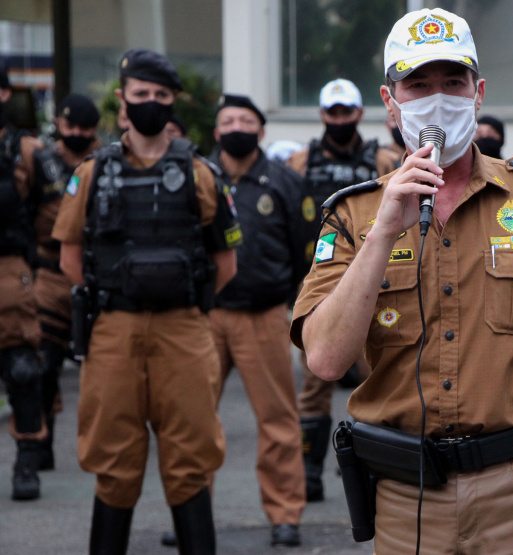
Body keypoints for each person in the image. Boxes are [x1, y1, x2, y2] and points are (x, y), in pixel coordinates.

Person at [291, 7, 513, 553]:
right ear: (390, 102)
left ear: (478, 94)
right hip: (408, 498)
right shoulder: (354, 215)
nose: (438, 100)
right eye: (418, 85)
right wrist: (383, 232)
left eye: (453, 83)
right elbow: (325, 360)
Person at [52, 49, 240, 554]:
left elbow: (226, 264)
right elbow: (69, 257)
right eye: (141, 94)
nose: (151, 102)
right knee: (113, 462)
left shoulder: (201, 173)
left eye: (161, 95)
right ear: (123, 99)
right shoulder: (92, 172)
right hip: (114, 329)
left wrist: (183, 302)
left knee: (191, 461)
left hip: (184, 330)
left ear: (173, 101)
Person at [206, 93, 307, 546]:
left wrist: (288, 300)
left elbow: (305, 249)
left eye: (246, 120)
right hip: (204, 316)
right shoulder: (197, 176)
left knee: (278, 420)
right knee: (192, 419)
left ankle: (285, 515)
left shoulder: (284, 181)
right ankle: (191, 511)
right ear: (216, 131)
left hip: (264, 316)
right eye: (228, 120)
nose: (236, 127)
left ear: (261, 131)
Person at [285, 77, 388, 502]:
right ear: (322, 115)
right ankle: (309, 474)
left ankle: (379, 467)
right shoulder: (299, 162)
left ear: (359, 114)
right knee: (315, 379)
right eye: (333, 112)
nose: (340, 119)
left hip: (375, 279)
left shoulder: (383, 158)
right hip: (320, 278)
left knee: (379, 373)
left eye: (347, 112)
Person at [31, 93, 102, 472]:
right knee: (42, 366)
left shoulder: (107, 162)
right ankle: (39, 443)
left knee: (106, 366)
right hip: (49, 274)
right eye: (70, 126)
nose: (77, 133)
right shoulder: (40, 161)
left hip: (98, 274)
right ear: (59, 124)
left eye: (84, 128)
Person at [0, 60, 47, 501]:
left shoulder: (26, 150)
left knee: (22, 371)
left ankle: (27, 462)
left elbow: (52, 214)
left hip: (10, 271)